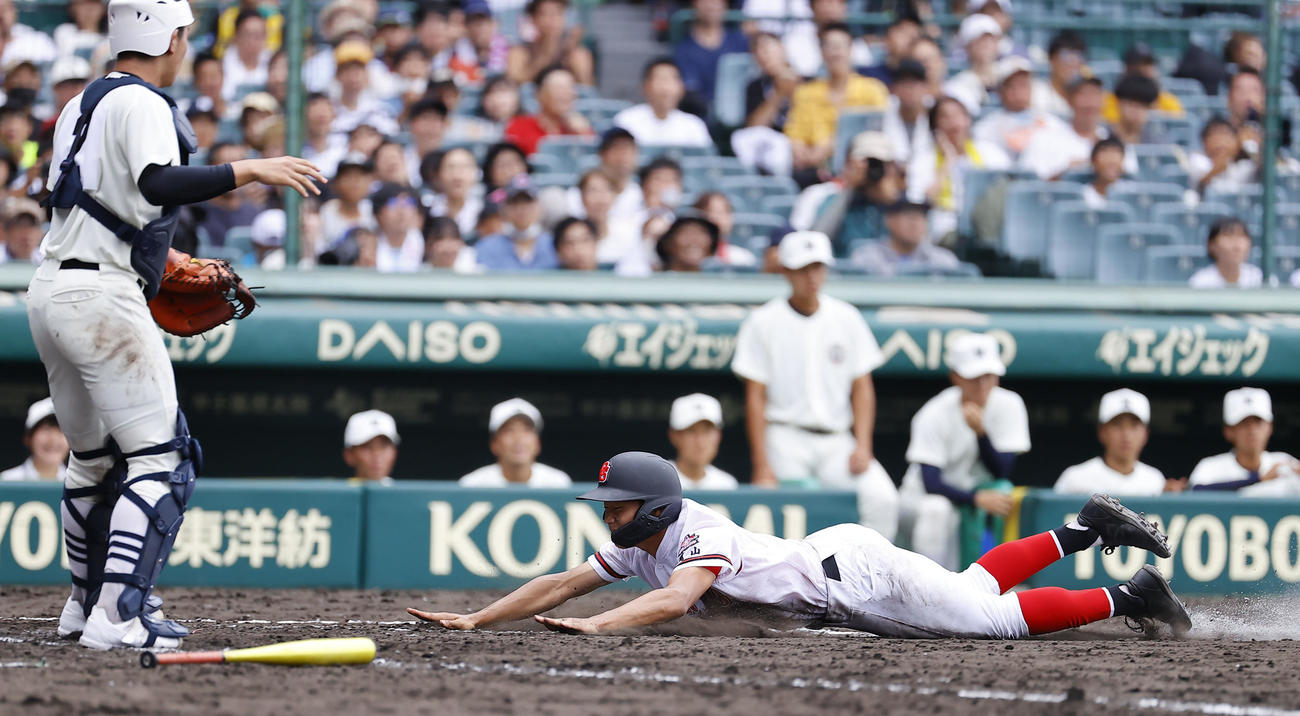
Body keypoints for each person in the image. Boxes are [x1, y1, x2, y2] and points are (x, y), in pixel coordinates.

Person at [28, 0, 324, 650]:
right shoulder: (142, 102)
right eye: (185, 35)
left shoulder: (80, 103)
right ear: (169, 38)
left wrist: (156, 258)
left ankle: (84, 606)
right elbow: (158, 183)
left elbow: (92, 201)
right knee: (164, 460)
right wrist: (251, 168)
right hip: (101, 294)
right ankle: (119, 615)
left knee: (94, 461)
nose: (185, 46)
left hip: (51, 287)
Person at [408, 451, 1192, 639]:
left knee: (990, 621)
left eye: (618, 507)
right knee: (972, 586)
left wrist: (600, 626)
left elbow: (677, 600)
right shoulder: (646, 542)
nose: (608, 517)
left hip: (850, 582)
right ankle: (1085, 527)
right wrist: (478, 618)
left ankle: (1130, 596)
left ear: (653, 507)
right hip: (839, 561)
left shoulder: (698, 533)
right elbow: (560, 583)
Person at [731, 230, 898, 539]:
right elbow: (755, 397)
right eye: (803, 268)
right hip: (785, 437)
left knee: (882, 499)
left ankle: (869, 571)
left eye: (818, 267)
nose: (812, 276)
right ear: (786, 271)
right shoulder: (763, 320)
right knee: (786, 521)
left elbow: (862, 387)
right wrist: (761, 463)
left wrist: (863, 444)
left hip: (837, 440)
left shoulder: (846, 316)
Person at [899, 333, 1030, 570]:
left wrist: (981, 434)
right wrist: (975, 499)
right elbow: (931, 483)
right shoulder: (934, 412)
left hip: (970, 500)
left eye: (988, 375)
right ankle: (929, 590)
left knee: (1004, 491)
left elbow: (1002, 470)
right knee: (936, 509)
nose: (982, 384)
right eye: (974, 377)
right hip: (920, 500)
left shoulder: (1010, 404)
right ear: (956, 377)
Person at [784, 24, 888, 180]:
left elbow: (878, 132)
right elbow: (795, 134)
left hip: (860, 169)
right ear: (821, 51)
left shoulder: (873, 89)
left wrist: (826, 149)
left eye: (840, 46)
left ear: (851, 49)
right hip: (811, 170)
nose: (835, 53)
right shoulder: (805, 92)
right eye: (829, 46)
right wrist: (802, 153)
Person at [907, 95, 1011, 239]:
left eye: (958, 115)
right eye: (945, 117)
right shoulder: (923, 159)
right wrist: (947, 162)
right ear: (935, 126)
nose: (953, 122)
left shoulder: (990, 152)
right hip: (946, 228)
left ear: (968, 120)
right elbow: (920, 203)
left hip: (988, 225)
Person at [1055, 389, 1182, 496]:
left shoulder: (1154, 480)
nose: (1126, 435)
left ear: (1145, 434)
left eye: (1134, 426)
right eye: (1117, 425)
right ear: (1102, 432)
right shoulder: (1075, 478)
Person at [802, 130, 903, 255]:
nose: (873, 168)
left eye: (880, 163)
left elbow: (913, 247)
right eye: (867, 162)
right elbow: (816, 241)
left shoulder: (897, 203)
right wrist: (849, 189)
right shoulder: (829, 197)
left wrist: (893, 201)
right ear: (849, 163)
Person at [1188, 388, 1300, 496]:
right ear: (1228, 431)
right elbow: (1196, 491)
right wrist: (1259, 479)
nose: (1252, 431)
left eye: (1258, 422)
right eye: (1244, 423)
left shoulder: (1285, 462)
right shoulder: (1210, 467)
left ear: (1269, 427)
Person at [971, 56, 1068, 162]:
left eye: (1023, 85)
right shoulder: (985, 128)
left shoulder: (1052, 124)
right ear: (1001, 91)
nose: (1018, 91)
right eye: (1012, 86)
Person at [458, 398, 572, 488]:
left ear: (537, 443)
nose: (518, 438)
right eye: (509, 430)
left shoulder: (558, 483)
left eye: (526, 430)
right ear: (494, 443)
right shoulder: (472, 485)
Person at [1019, 76, 1108, 181]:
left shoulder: (1109, 139)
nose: (1090, 103)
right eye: (1083, 95)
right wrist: (1066, 173)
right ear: (1069, 100)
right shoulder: (1046, 137)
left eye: (1095, 95)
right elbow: (1028, 182)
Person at [614, 58, 713, 148]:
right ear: (645, 86)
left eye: (671, 80)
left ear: (682, 88)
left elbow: (706, 160)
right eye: (659, 79)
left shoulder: (694, 125)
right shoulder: (626, 121)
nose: (665, 87)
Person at [850, 199, 962, 276]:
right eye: (909, 216)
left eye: (921, 216)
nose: (915, 223)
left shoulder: (943, 259)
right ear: (889, 220)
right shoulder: (866, 257)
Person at [673, 0, 749, 110]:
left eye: (716, 1)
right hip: (702, 113)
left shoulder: (741, 41)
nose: (710, 5)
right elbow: (691, 90)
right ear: (693, 5)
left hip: (742, 109)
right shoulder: (684, 49)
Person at [503, 65, 593, 156]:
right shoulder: (519, 127)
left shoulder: (580, 128)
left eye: (570, 87)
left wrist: (584, 133)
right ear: (539, 94)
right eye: (559, 88)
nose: (567, 93)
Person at [476, 176, 560, 271]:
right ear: (504, 209)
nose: (522, 208)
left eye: (528, 202)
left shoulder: (555, 245)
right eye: (515, 202)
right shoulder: (488, 247)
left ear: (539, 207)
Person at [507, 0, 595, 86]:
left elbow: (587, 87)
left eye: (558, 13)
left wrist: (572, 55)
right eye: (545, 14)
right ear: (533, 18)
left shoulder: (575, 53)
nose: (552, 20)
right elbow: (514, 82)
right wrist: (543, 57)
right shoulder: (520, 51)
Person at [667, 394, 738, 490]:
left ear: (718, 435)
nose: (700, 441)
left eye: (707, 431)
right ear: (674, 436)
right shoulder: (659, 480)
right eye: (691, 431)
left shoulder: (727, 485)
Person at [1102, 43, 1184, 123]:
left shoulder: (1167, 100)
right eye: (1136, 66)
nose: (1142, 70)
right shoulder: (1109, 102)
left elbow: (1177, 124)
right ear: (1126, 69)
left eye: (1147, 65)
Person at [941, 14, 1003, 115]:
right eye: (979, 40)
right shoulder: (956, 85)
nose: (986, 44)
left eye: (990, 39)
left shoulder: (1012, 72)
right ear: (967, 46)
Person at [1, 397, 69, 482]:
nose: (53, 439)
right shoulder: (7, 481)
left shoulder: (80, 484)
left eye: (61, 430)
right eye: (46, 429)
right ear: (28, 438)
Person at [880, 59, 933, 165]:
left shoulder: (937, 113)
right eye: (903, 83)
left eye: (914, 83)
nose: (909, 89)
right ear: (894, 88)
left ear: (926, 87)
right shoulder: (884, 113)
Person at [320, 153, 376, 250]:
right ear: (336, 183)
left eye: (360, 176)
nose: (355, 182)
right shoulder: (325, 213)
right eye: (348, 176)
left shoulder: (373, 212)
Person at [1188, 217, 1264, 289]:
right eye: (1228, 236)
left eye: (1241, 236)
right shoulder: (1200, 283)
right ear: (1212, 245)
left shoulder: (1259, 279)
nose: (1237, 246)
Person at [1189, 117, 1256, 197]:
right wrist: (1217, 168)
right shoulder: (1198, 161)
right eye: (1214, 135)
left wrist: (1249, 146)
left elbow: (1262, 169)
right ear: (1204, 142)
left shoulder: (1245, 165)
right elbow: (1198, 186)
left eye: (1225, 134)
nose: (1220, 140)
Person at [425, 146, 483, 238]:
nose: (457, 176)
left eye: (463, 168)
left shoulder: (484, 212)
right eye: (450, 168)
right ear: (439, 174)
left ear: (475, 174)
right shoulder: (426, 210)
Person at [370, 183, 426, 273]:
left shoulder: (421, 240)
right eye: (393, 203)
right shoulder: (368, 241)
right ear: (378, 213)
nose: (401, 211)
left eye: (408, 203)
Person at [692, 191, 757, 268]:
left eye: (722, 212)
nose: (715, 218)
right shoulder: (688, 258)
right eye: (709, 212)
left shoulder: (743, 259)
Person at [1032, 31, 1087, 118]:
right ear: (1051, 59)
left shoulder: (1087, 99)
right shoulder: (1035, 93)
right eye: (1065, 55)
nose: (1072, 63)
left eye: (1078, 56)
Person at [221, 10, 271, 102]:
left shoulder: (273, 63)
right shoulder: (221, 66)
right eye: (248, 34)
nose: (252, 40)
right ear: (236, 35)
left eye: (258, 35)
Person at [861, 14, 921, 86]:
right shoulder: (868, 75)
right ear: (887, 39)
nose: (909, 41)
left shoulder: (922, 78)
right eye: (904, 34)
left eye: (914, 37)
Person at [342, 409, 399, 485]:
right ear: (349, 455)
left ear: (394, 453)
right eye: (366, 447)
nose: (377, 456)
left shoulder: (404, 492)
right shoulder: (335, 491)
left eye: (383, 447)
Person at [1108, 74, 1162, 146]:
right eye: (1132, 105)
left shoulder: (1155, 142)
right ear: (1119, 103)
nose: (1137, 112)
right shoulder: (1102, 135)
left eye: (1144, 106)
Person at [1082, 137, 1129, 209]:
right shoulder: (1082, 195)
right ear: (1094, 162)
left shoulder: (1132, 193)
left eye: (1115, 156)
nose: (1111, 160)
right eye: (1105, 155)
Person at [1, 198, 45, 264]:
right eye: (19, 226)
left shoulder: (47, 261)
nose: (26, 234)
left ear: (40, 233)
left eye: (32, 225)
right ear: (5, 232)